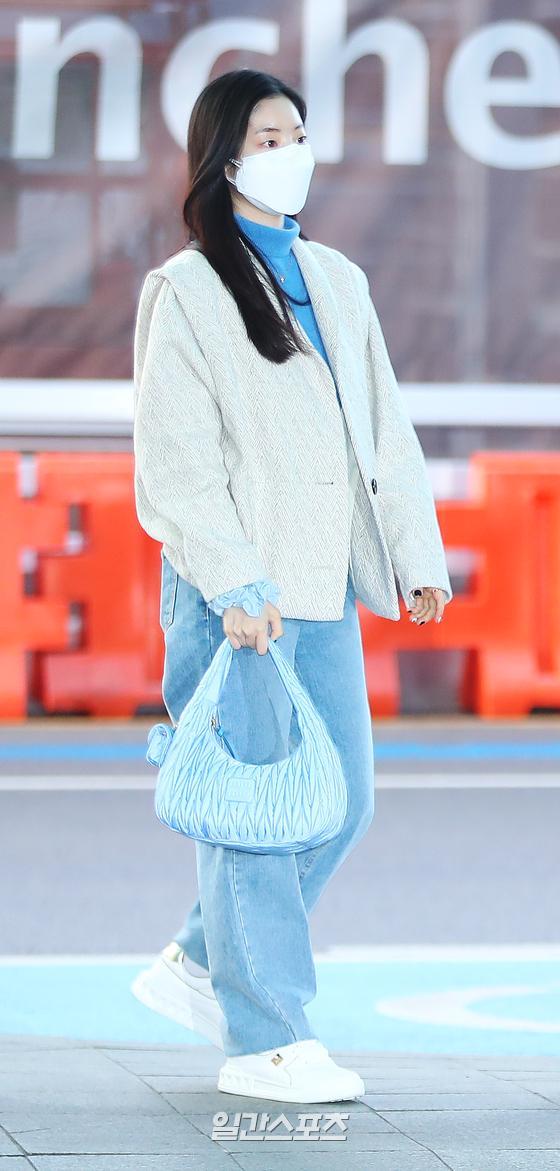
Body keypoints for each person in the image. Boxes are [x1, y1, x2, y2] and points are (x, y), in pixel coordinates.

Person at [131, 68, 453, 1104]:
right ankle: (266, 1037)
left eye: (298, 133)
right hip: (237, 598)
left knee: (339, 803)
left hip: (321, 585)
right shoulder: (186, 291)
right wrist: (232, 579)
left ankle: (202, 958)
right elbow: (175, 460)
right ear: (224, 159)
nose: (291, 152)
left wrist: (415, 557)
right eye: (269, 137)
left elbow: (385, 430)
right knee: (259, 818)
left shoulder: (337, 279)